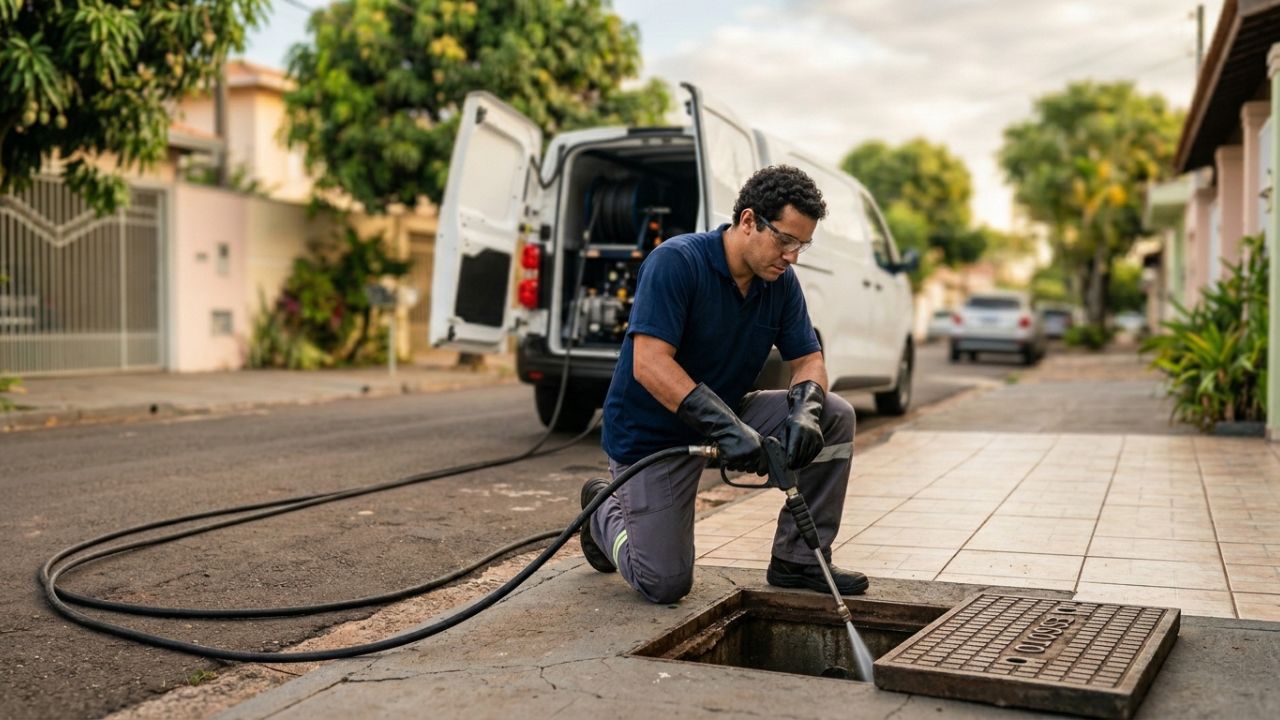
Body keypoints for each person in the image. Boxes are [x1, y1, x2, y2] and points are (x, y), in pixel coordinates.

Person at [579, 165, 865, 604]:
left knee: (834, 414)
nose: (792, 256)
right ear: (749, 221)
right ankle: (602, 511)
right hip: (652, 437)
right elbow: (650, 364)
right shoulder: (677, 262)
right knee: (664, 583)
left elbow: (809, 359)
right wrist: (727, 429)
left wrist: (806, 412)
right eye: (785, 240)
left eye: (801, 244)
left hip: (727, 417)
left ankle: (799, 561)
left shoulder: (780, 284)